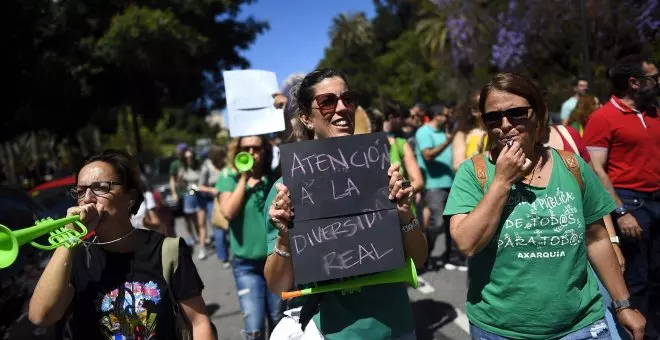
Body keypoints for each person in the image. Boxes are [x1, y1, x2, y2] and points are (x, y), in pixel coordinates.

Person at [443, 72, 646, 339]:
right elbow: (466, 243)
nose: (505, 125)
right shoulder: (474, 172)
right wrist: (502, 181)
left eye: (516, 113)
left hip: (581, 325)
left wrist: (622, 305)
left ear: (537, 115)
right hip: (502, 330)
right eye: (493, 117)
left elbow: (596, 238)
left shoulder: (572, 166)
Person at [264, 68, 427, 339]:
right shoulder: (285, 190)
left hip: (395, 327)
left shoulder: (382, 173)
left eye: (347, 99)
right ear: (306, 117)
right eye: (328, 101)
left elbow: (419, 258)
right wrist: (284, 236)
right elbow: (278, 285)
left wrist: (404, 214)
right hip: (332, 332)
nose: (342, 108)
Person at [28, 149, 213, 339]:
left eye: (101, 187)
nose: (88, 199)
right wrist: (69, 239)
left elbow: (198, 322)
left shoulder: (167, 250)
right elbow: (40, 316)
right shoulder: (76, 256)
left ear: (130, 197)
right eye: (81, 191)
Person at [584, 54, 660, 339]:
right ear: (634, 83)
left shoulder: (654, 112)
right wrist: (620, 212)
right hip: (631, 205)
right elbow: (598, 171)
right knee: (637, 281)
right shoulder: (603, 117)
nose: (658, 82)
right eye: (653, 78)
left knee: (657, 276)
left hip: (657, 200)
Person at [217, 134, 280, 340]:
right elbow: (228, 211)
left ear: (265, 151)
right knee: (254, 328)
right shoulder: (229, 177)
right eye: (246, 149)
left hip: (276, 263)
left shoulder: (274, 178)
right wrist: (244, 178)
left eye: (256, 148)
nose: (251, 153)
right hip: (247, 267)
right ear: (238, 152)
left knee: (279, 321)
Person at [415, 103, 462, 271]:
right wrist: (448, 141)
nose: (447, 117)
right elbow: (428, 155)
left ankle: (452, 256)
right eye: (445, 114)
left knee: (453, 223)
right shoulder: (424, 132)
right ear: (437, 116)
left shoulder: (444, 132)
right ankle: (423, 256)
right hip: (433, 185)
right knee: (437, 223)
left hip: (451, 184)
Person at [383, 101, 424, 195]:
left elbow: (417, 181)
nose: (403, 122)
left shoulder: (400, 142)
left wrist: (401, 187)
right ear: (391, 117)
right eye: (401, 118)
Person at [198, 144, 224, 260]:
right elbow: (200, 186)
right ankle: (223, 256)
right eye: (220, 156)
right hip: (212, 201)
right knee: (219, 228)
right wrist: (211, 189)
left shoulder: (225, 165)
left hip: (227, 197)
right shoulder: (207, 166)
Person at [452, 91, 488, 171]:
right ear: (474, 111)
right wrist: (480, 156)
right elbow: (457, 165)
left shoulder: (498, 131)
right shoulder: (463, 135)